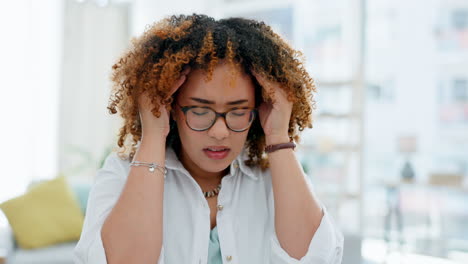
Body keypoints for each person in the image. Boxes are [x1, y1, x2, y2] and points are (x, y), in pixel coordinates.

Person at [73, 14, 343, 264]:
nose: (220, 132)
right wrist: (154, 133)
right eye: (201, 111)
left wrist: (278, 136)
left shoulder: (274, 178)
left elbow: (317, 258)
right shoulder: (121, 175)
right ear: (171, 107)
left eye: (238, 111)